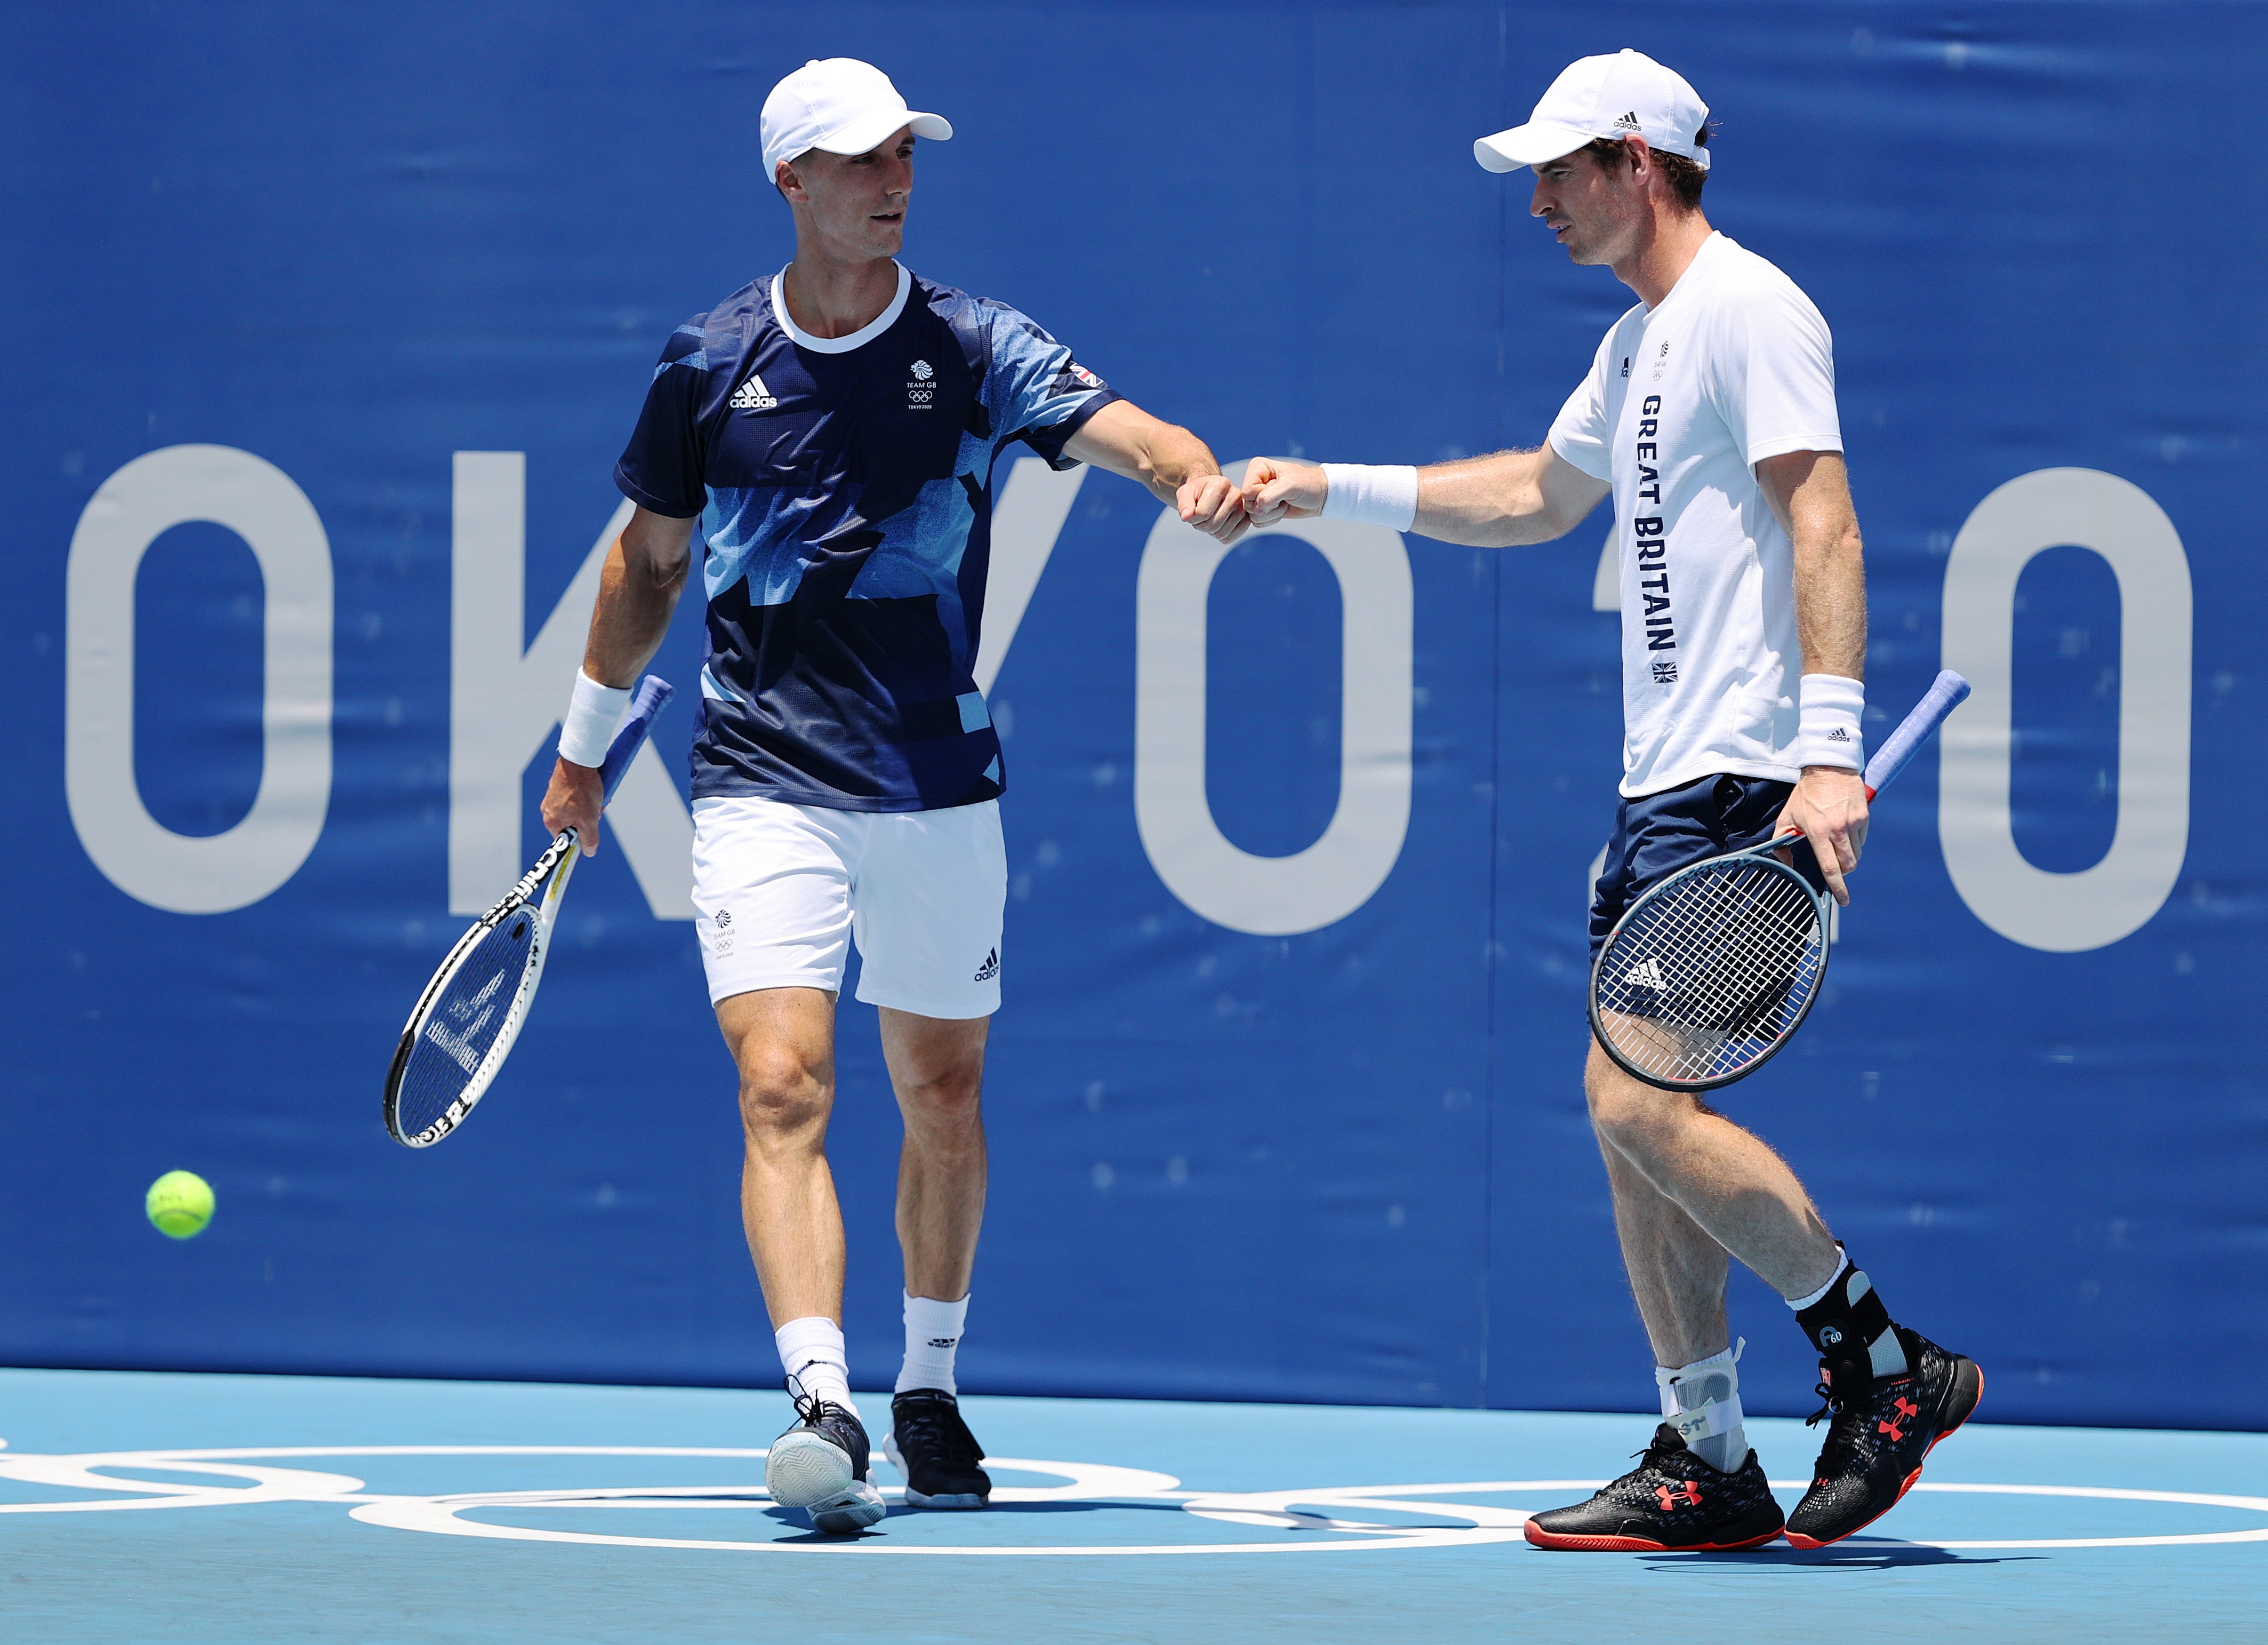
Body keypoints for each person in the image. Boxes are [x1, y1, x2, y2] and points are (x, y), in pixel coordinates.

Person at [1240, 49, 1979, 1552]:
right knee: (1634, 1121)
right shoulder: (1639, 345)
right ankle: (1706, 1452)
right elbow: (1533, 494)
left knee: (1629, 1094)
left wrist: (1829, 745)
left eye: (1560, 171)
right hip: (1661, 789)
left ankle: (1881, 1362)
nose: (1536, 203)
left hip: (1750, 778)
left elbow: (1819, 510)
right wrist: (1323, 486)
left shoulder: (1747, 307)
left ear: (1637, 161)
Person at [541, 56, 1248, 1535]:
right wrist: (584, 745)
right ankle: (825, 1403)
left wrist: (1186, 475)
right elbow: (648, 565)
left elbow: (1123, 428)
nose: (894, 179)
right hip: (756, 778)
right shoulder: (706, 364)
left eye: (902, 155)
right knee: (781, 1081)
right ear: (789, 181)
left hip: (935, 779)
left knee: (942, 1089)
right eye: (859, 161)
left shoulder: (977, 343)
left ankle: (926, 1377)